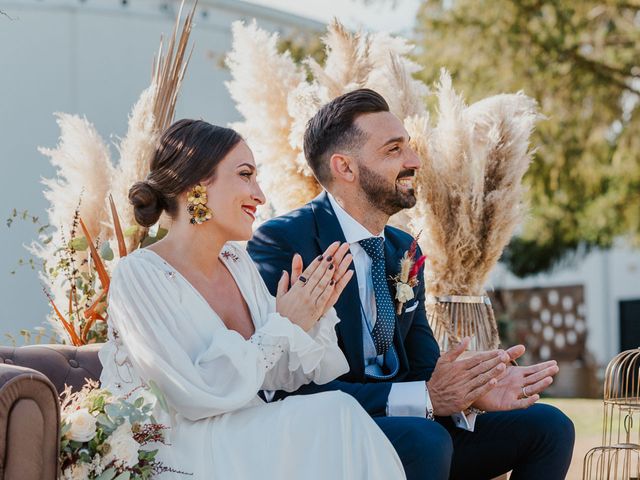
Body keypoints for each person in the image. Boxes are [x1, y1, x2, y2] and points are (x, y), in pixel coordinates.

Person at [248, 89, 576, 480]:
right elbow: (285, 388)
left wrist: (470, 391)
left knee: (549, 427)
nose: (414, 161)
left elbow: (422, 367)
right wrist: (423, 399)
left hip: (411, 422)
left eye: (410, 147)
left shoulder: (404, 249)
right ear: (345, 168)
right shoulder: (285, 241)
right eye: (394, 150)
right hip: (331, 432)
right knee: (425, 439)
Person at [98, 119, 406, 479]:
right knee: (337, 414)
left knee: (338, 410)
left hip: (245, 429)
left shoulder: (236, 262)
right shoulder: (139, 275)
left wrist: (310, 315)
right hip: (176, 449)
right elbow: (194, 394)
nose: (260, 194)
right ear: (194, 186)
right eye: (245, 175)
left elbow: (273, 375)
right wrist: (284, 324)